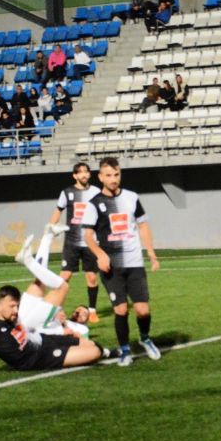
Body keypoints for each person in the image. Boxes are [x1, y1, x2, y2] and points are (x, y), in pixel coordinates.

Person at [0, 228, 113, 386]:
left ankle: (46, 238)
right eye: (12, 306)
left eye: (17, 306)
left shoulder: (14, 316)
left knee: (40, 282)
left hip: (43, 338)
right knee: (94, 350)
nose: (15, 310)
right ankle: (31, 256)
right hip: (38, 357)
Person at [83, 157, 162, 367]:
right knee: (121, 310)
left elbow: (143, 226)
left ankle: (145, 339)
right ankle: (125, 350)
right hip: (112, 266)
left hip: (135, 262)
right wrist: (100, 254)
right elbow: (88, 236)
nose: (113, 179)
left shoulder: (132, 197)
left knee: (143, 310)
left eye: (116, 174)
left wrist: (152, 254)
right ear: (100, 177)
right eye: (108, 175)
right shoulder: (94, 204)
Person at [50, 162, 103, 323]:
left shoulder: (96, 192)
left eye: (86, 172)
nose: (84, 175)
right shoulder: (67, 192)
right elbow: (58, 210)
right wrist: (50, 228)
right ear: (75, 175)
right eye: (80, 172)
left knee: (92, 277)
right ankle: (54, 309)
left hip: (90, 241)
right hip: (71, 241)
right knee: (64, 277)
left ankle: (92, 311)